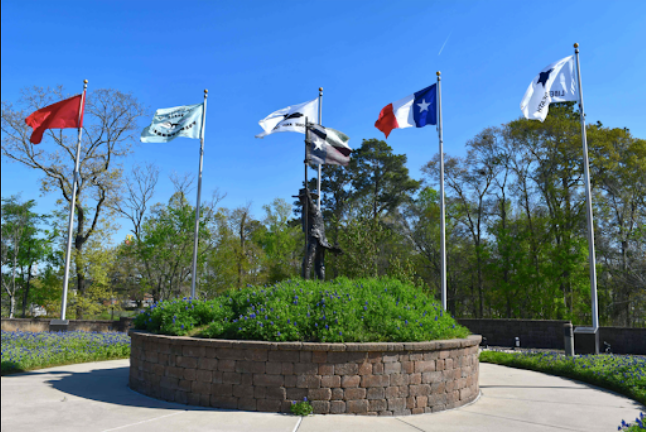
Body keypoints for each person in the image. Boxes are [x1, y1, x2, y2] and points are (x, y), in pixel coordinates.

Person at [293, 188, 341, 280]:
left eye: (302, 198)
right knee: (319, 263)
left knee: (308, 261)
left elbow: (309, 203)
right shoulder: (307, 209)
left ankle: (305, 283)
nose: (301, 200)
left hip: (314, 237)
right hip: (320, 239)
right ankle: (320, 284)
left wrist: (308, 196)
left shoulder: (312, 208)